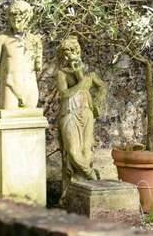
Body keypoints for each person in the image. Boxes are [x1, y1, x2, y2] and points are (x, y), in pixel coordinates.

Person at [56, 36, 107, 204]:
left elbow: (102, 87)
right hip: (69, 113)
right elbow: (64, 94)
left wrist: (98, 102)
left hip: (86, 113)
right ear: (64, 55)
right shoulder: (61, 74)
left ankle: (85, 190)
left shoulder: (89, 74)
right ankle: (92, 178)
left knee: (87, 150)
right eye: (69, 51)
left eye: (75, 50)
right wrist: (81, 82)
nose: (73, 54)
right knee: (72, 152)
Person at [0, 0, 42, 109]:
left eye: (20, 15)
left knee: (32, 121)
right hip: (10, 86)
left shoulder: (35, 40)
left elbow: (38, 68)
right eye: (13, 15)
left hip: (30, 87)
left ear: (28, 17)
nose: (16, 18)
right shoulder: (1, 39)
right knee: (9, 121)